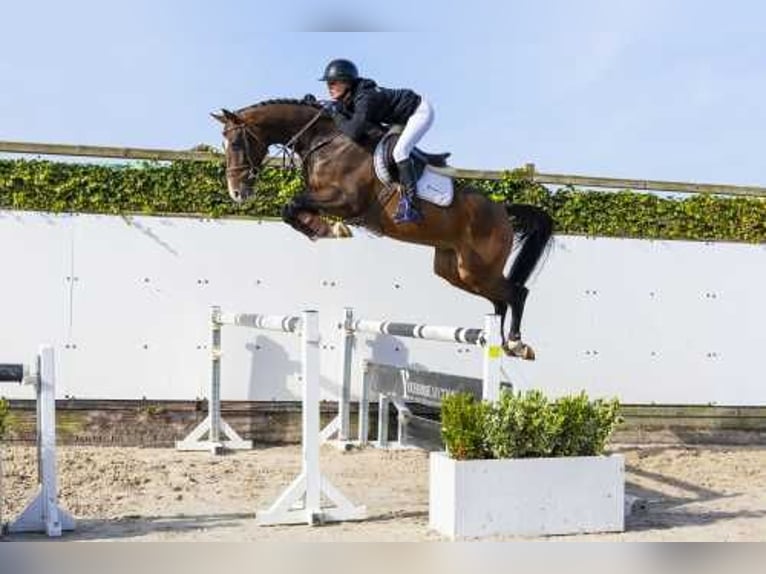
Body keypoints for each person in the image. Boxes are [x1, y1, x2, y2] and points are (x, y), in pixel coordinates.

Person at [320, 58, 434, 224]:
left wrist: (335, 113)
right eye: (328, 83)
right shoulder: (351, 96)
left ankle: (412, 205)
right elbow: (343, 115)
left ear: (347, 82)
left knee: (399, 151)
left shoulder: (365, 97)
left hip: (419, 111)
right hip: (399, 118)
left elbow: (353, 131)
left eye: (333, 82)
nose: (329, 87)